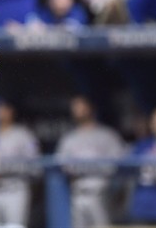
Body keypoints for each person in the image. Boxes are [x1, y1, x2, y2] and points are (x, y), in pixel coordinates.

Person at [55, 95, 125, 228]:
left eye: (81, 107)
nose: (78, 111)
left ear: (90, 108)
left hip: (101, 193)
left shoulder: (107, 135)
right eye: (75, 108)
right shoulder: (69, 138)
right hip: (78, 192)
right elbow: (61, 164)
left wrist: (95, 169)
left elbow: (120, 162)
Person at [0, 98, 40, 228]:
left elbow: (36, 166)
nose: (0, 112)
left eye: (4, 108)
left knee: (15, 226)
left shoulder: (24, 135)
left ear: (11, 112)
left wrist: (9, 166)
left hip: (15, 188)